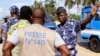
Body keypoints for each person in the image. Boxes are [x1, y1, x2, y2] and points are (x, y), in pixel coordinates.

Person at [3, 8, 70, 56]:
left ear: (31, 17)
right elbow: (66, 52)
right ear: (44, 19)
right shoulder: (53, 34)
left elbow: (6, 48)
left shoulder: (19, 32)